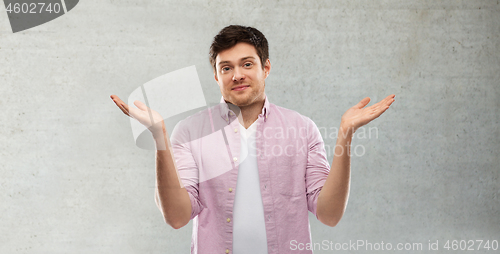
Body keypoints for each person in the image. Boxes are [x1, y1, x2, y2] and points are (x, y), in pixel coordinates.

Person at [111, 25, 395, 254]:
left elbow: (329, 214)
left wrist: (345, 134)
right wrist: (159, 137)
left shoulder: (302, 129)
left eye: (247, 64)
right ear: (216, 76)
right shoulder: (189, 131)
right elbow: (176, 218)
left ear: (266, 67)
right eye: (226, 68)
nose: (237, 75)